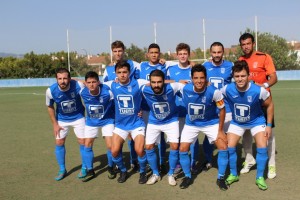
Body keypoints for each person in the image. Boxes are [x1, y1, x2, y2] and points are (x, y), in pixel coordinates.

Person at [221, 60, 274, 190]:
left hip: (256, 122)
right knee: (230, 147)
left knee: (262, 147)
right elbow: (217, 97)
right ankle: (234, 174)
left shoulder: (258, 91)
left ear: (249, 75)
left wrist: (268, 125)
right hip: (237, 122)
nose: (240, 79)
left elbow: (270, 105)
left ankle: (260, 177)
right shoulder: (227, 89)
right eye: (237, 76)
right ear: (233, 77)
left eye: (243, 76)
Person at [178, 64, 228, 190]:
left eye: (201, 78)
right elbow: (164, 84)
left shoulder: (214, 91)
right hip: (192, 124)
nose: (199, 81)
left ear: (206, 78)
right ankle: (188, 176)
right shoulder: (184, 88)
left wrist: (221, 130)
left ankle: (221, 178)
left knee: (223, 147)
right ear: (191, 78)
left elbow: (222, 110)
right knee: (183, 149)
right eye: (196, 78)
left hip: (210, 123)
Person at [238, 33, 278, 179]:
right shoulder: (240, 60)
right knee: (246, 132)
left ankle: (272, 164)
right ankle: (249, 159)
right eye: (243, 44)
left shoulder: (264, 57)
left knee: (269, 135)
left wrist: (264, 85)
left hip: (263, 102)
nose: (246, 46)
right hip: (247, 103)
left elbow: (274, 77)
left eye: (248, 43)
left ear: (253, 44)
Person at [104, 60, 148, 184]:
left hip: (136, 124)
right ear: (115, 73)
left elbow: (157, 83)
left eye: (125, 72)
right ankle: (123, 170)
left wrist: (178, 82)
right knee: (114, 151)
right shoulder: (112, 84)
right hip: (121, 125)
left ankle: (143, 171)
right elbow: (93, 83)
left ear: (129, 72)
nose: (122, 75)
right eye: (119, 72)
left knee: (139, 150)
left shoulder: (138, 83)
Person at [141, 69, 183, 186]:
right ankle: (155, 174)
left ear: (164, 81)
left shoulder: (172, 87)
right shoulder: (145, 89)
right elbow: (132, 91)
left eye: (159, 82)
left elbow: (185, 85)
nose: (156, 85)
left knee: (174, 145)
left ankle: (171, 174)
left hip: (171, 120)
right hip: (154, 121)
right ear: (149, 82)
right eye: (153, 82)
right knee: (148, 147)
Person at [138, 43, 175, 174]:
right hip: (145, 108)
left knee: (161, 136)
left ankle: (162, 162)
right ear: (147, 54)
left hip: (160, 106)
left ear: (159, 54)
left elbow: (181, 62)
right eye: (151, 52)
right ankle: (140, 161)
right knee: (148, 138)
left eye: (156, 52)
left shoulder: (165, 66)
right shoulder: (141, 66)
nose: (154, 55)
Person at [103, 40, 139, 170]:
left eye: (120, 51)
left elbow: (145, 76)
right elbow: (104, 87)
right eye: (115, 51)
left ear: (124, 51)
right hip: (114, 107)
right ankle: (115, 164)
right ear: (112, 52)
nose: (118, 53)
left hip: (131, 106)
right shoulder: (108, 69)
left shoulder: (133, 65)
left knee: (131, 135)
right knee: (117, 135)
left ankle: (134, 160)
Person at [46, 68, 85, 181]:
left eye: (65, 78)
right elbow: (50, 107)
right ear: (56, 79)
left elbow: (89, 84)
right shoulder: (51, 91)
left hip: (78, 117)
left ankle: (84, 167)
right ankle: (62, 169)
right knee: (59, 142)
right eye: (60, 78)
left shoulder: (77, 85)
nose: (62, 81)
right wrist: (55, 124)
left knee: (82, 141)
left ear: (69, 78)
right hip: (62, 119)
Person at [166, 43, 200, 174]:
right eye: (180, 54)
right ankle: (179, 162)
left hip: (191, 109)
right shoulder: (171, 69)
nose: (182, 56)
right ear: (176, 55)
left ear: (189, 54)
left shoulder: (194, 68)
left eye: (185, 53)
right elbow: (163, 81)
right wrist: (177, 82)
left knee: (193, 139)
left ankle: (193, 162)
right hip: (176, 108)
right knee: (178, 138)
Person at [201, 42, 233, 171]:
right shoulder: (205, 66)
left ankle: (228, 163)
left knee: (227, 138)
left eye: (219, 52)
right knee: (208, 140)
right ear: (210, 53)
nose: (216, 55)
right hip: (210, 109)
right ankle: (208, 160)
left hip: (227, 108)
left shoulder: (230, 66)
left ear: (223, 52)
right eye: (214, 52)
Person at [79, 71, 115, 182]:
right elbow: (75, 82)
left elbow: (115, 106)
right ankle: (90, 170)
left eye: (94, 82)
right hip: (91, 122)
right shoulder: (82, 92)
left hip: (107, 121)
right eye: (89, 82)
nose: (91, 84)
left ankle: (110, 167)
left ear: (98, 82)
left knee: (110, 146)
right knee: (87, 144)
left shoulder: (107, 93)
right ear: (85, 83)